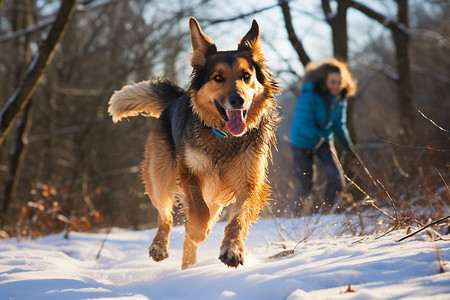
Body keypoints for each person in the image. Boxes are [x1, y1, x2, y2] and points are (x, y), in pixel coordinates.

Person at [290, 58, 357, 216]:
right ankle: (295, 216)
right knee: (305, 183)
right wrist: (318, 138)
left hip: (324, 141)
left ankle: (326, 212)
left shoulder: (340, 98)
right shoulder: (309, 95)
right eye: (332, 82)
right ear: (324, 81)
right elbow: (303, 121)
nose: (336, 86)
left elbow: (339, 124)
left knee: (336, 179)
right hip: (302, 142)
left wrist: (348, 146)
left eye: (339, 82)